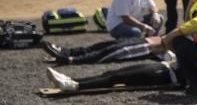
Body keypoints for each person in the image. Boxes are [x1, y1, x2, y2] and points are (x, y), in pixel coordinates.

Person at [45, 60, 182, 94]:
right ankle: (71, 80)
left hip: (165, 74)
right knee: (111, 73)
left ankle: (74, 86)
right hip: (164, 65)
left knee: (116, 78)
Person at [41, 35, 171, 65]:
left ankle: (70, 59)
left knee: (109, 53)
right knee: (103, 46)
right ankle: (66, 51)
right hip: (148, 40)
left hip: (152, 48)